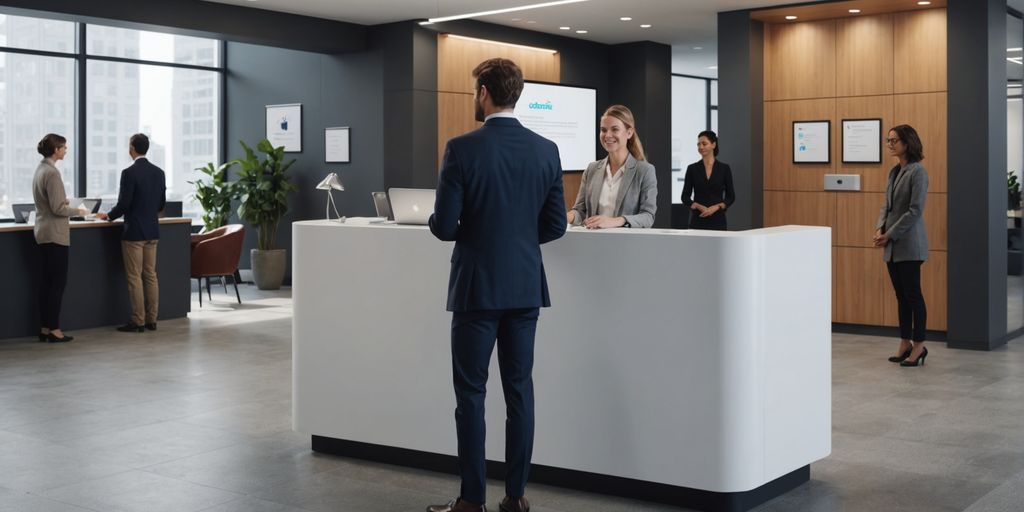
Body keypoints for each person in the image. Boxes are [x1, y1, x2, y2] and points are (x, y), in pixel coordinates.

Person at [426, 58, 566, 512]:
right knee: (519, 392)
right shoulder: (546, 150)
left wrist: (457, 223)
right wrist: (518, 238)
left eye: (474, 91)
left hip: (476, 288)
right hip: (525, 286)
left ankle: (471, 501)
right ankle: (517, 498)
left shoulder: (461, 148)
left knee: (471, 395)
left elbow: (445, 227)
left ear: (484, 91)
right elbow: (556, 226)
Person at [97, 133, 166, 333]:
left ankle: (138, 321)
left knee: (135, 277)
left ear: (132, 148)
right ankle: (152, 320)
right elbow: (161, 204)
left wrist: (107, 216)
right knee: (151, 275)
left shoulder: (129, 173)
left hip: (134, 232)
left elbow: (123, 205)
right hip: (153, 231)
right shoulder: (159, 172)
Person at [875, 124, 929, 367]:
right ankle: (904, 342)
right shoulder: (894, 171)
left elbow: (914, 211)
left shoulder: (918, 172)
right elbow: (886, 206)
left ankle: (919, 346)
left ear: (907, 143)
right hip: (892, 245)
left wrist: (890, 234)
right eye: (888, 140)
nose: (889, 144)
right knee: (901, 296)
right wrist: (880, 228)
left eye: (894, 140)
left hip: (909, 244)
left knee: (913, 296)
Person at [32, 134, 89, 343]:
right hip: (55, 234)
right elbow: (57, 208)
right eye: (64, 147)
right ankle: (55, 329)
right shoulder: (53, 173)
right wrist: (80, 211)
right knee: (57, 283)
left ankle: (45, 328)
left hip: (43, 232)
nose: (66, 150)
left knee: (46, 283)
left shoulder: (40, 169)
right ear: (56, 149)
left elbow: (49, 203)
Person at [566, 105, 657, 229]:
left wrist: (616, 221)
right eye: (603, 130)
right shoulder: (591, 169)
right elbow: (580, 212)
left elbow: (648, 216)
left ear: (629, 133)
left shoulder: (645, 171)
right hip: (593, 243)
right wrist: (565, 216)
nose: (607, 135)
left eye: (615, 129)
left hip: (628, 245)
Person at [680, 130, 735, 230]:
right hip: (697, 220)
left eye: (704, 144)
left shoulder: (724, 168)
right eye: (698, 144)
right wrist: (697, 205)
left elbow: (731, 197)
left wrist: (716, 207)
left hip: (718, 221)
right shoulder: (692, 169)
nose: (700, 147)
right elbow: (685, 196)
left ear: (713, 145)